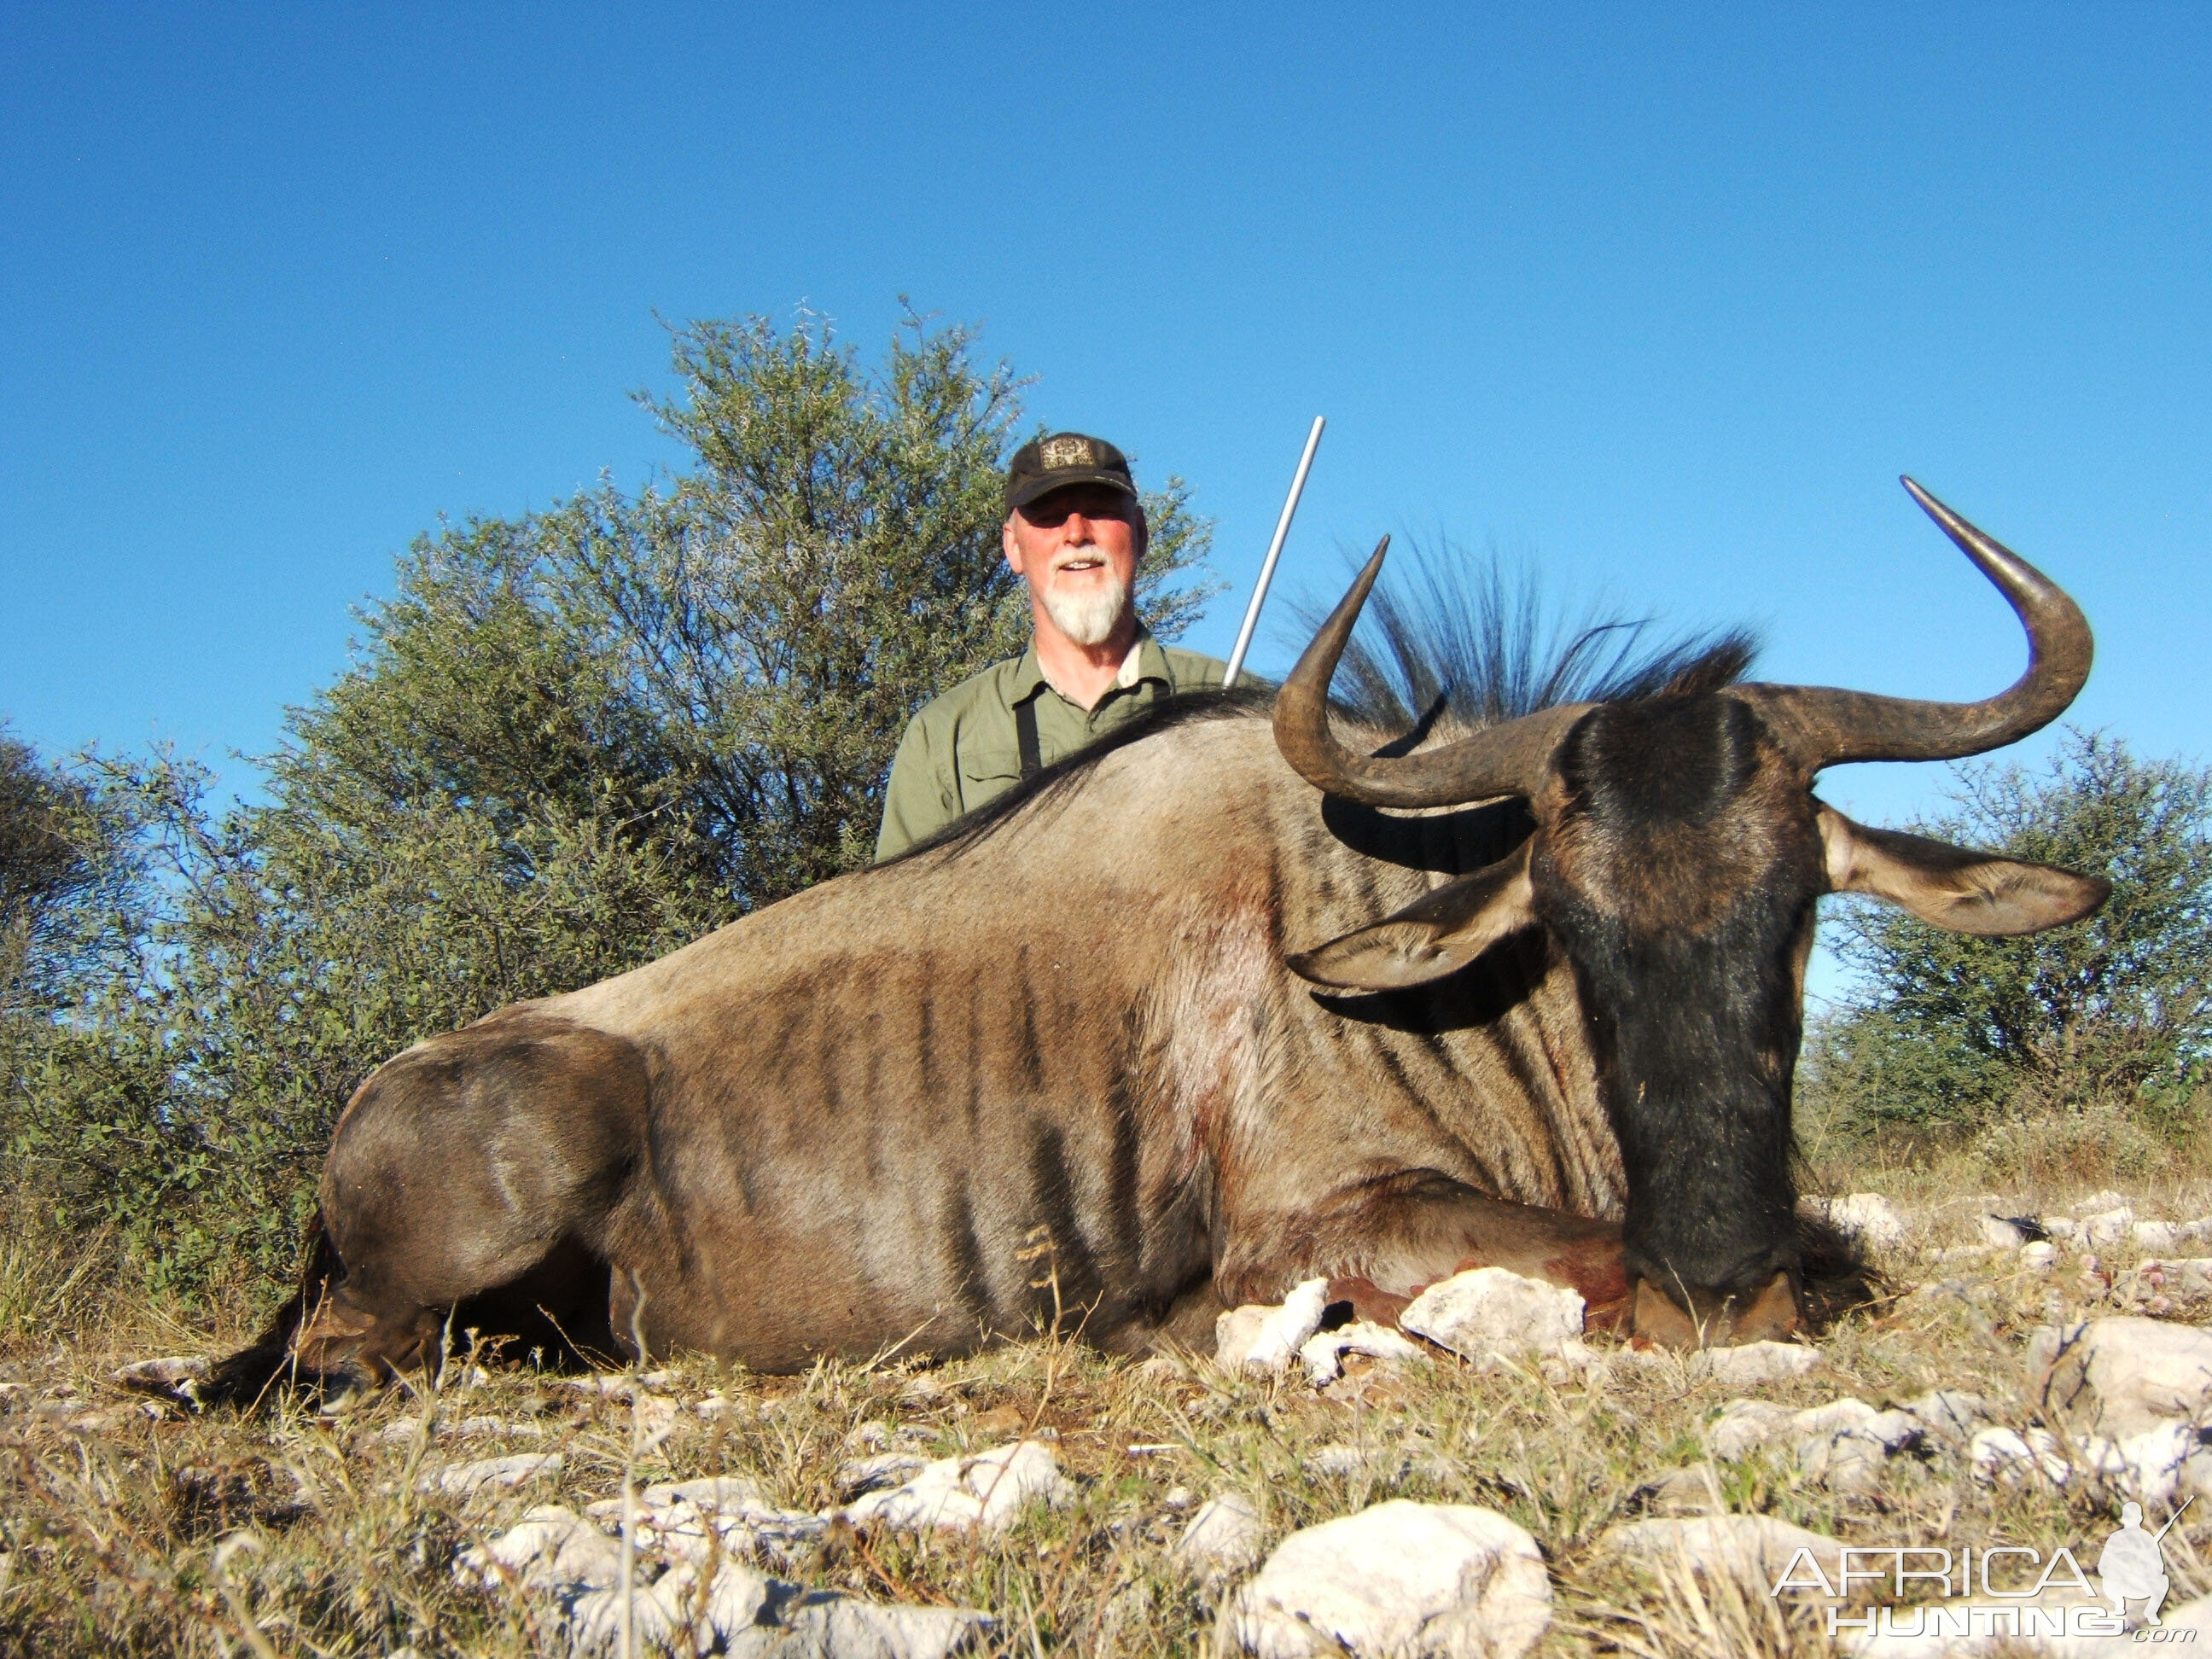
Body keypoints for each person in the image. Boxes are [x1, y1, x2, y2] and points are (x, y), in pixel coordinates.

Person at [874, 431, 1229, 859]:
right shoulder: (943, 733)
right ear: (1013, 547)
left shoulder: (1233, 699)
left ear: (1139, 533)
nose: (1076, 533)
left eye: (1100, 511)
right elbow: (905, 915)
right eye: (1049, 516)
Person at [2098, 1502, 2169, 1625]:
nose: (2132, 1521)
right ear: (2123, 1519)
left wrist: (2145, 1565)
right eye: (2130, 1518)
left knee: (2163, 1581)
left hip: (2140, 1584)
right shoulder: (2116, 1538)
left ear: (2140, 1519)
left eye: (2134, 1518)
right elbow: (2102, 1567)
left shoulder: (2147, 1538)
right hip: (2119, 1585)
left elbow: (2159, 1567)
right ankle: (2119, 1605)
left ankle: (2151, 1612)